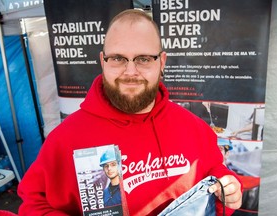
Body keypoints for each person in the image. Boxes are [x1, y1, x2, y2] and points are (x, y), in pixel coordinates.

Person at [18, 9, 242, 215]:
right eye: (118, 59)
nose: (131, 71)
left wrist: (229, 188)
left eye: (143, 59)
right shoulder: (64, 139)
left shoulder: (194, 128)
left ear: (161, 62)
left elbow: (215, 172)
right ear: (103, 61)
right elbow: (34, 204)